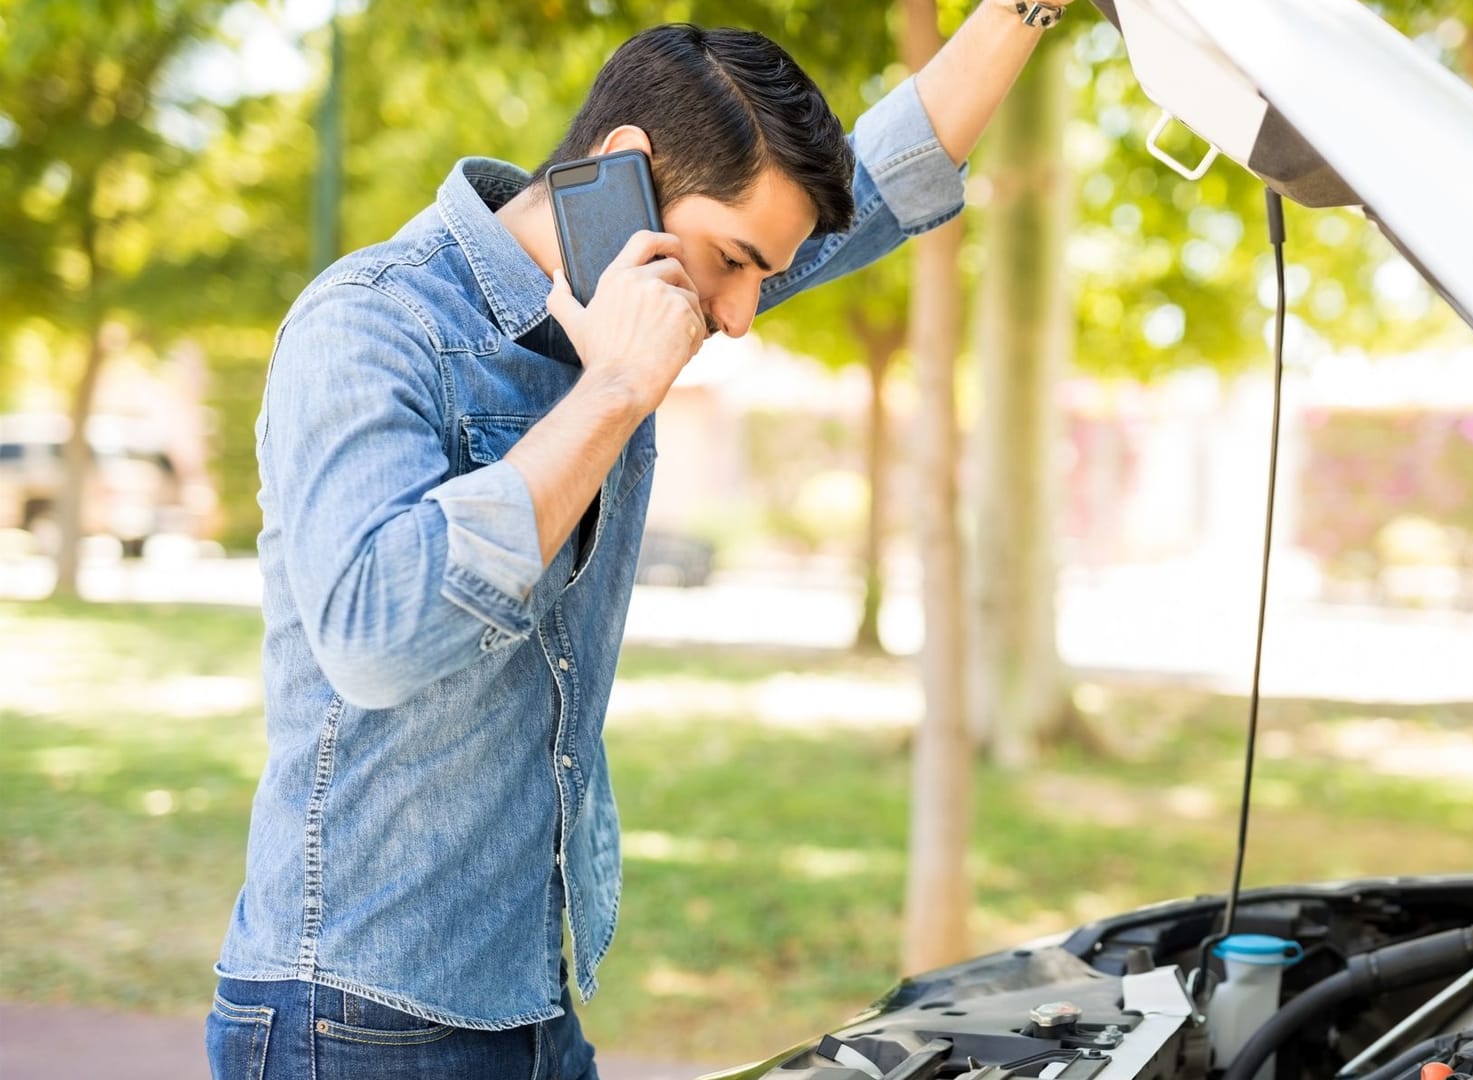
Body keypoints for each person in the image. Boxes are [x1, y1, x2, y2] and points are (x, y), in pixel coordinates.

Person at [204, 4, 1076, 1077]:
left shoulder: (658, 279)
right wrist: (611, 391)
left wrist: (1024, 11)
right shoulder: (374, 325)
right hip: (355, 1015)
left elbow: (883, 184)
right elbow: (373, 635)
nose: (747, 315)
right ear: (622, 171)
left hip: (528, 996)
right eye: (737, 263)